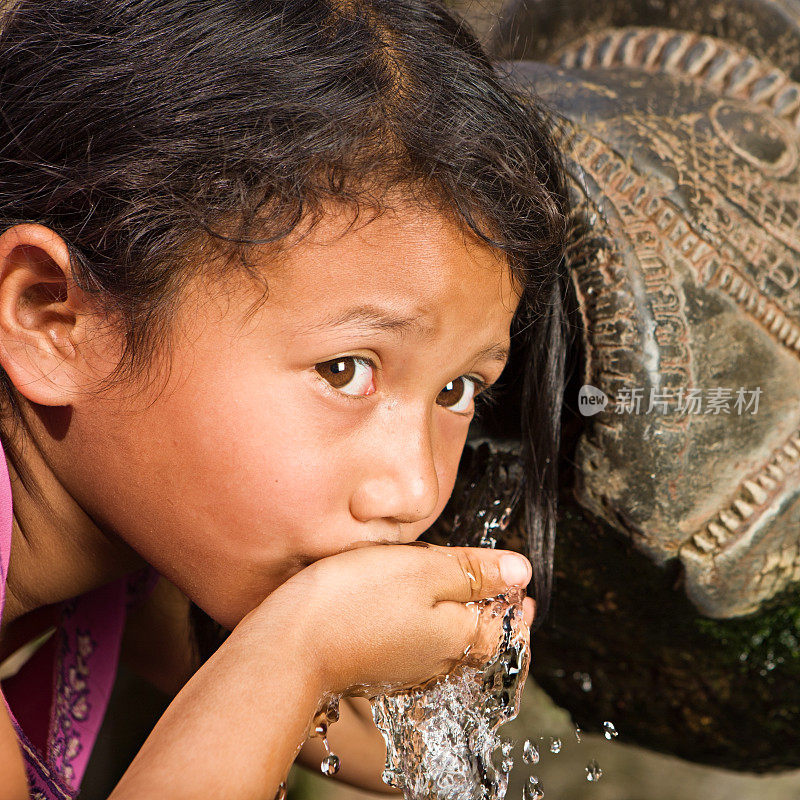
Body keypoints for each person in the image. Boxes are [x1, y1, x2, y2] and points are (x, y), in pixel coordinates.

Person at [0, 0, 569, 797]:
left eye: (457, 388)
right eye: (345, 371)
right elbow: (279, 679)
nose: (411, 493)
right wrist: (302, 649)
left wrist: (437, 659)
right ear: (53, 319)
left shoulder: (145, 545)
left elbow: (379, 755)